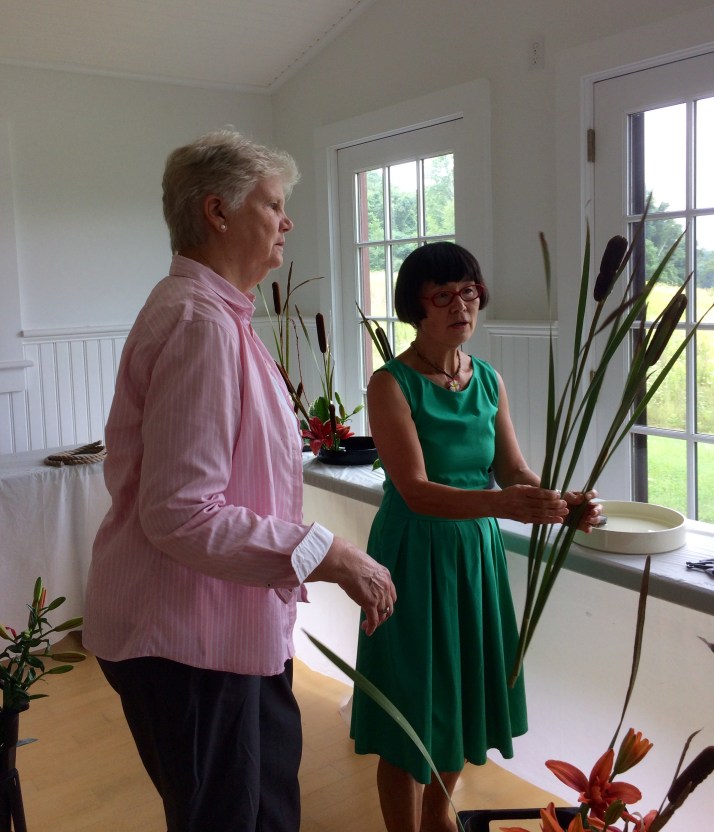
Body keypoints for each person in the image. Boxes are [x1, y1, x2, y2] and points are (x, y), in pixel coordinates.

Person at [82, 129, 396, 832]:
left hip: (227, 629)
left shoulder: (221, 316)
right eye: (274, 204)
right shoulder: (199, 323)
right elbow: (181, 513)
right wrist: (330, 553)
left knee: (266, 811)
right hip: (184, 640)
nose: (287, 222)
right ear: (218, 212)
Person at [349, 242, 600, 832]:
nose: (461, 306)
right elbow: (415, 490)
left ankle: (439, 813)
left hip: (475, 555)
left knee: (459, 694)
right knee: (410, 703)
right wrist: (502, 504)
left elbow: (512, 471)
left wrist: (559, 502)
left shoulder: (487, 379)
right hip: (413, 553)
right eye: (443, 295)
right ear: (416, 307)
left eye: (469, 292)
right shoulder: (390, 384)